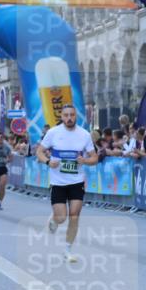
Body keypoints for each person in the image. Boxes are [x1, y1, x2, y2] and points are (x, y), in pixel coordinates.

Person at [35, 104, 98, 262]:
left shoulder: (84, 134)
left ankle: (68, 250)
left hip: (76, 181)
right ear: (61, 117)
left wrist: (84, 160)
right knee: (62, 217)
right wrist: (48, 162)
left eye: (72, 115)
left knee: (74, 216)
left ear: (75, 116)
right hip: (58, 182)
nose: (69, 118)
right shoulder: (53, 133)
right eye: (66, 115)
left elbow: (94, 158)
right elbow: (39, 151)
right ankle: (55, 219)